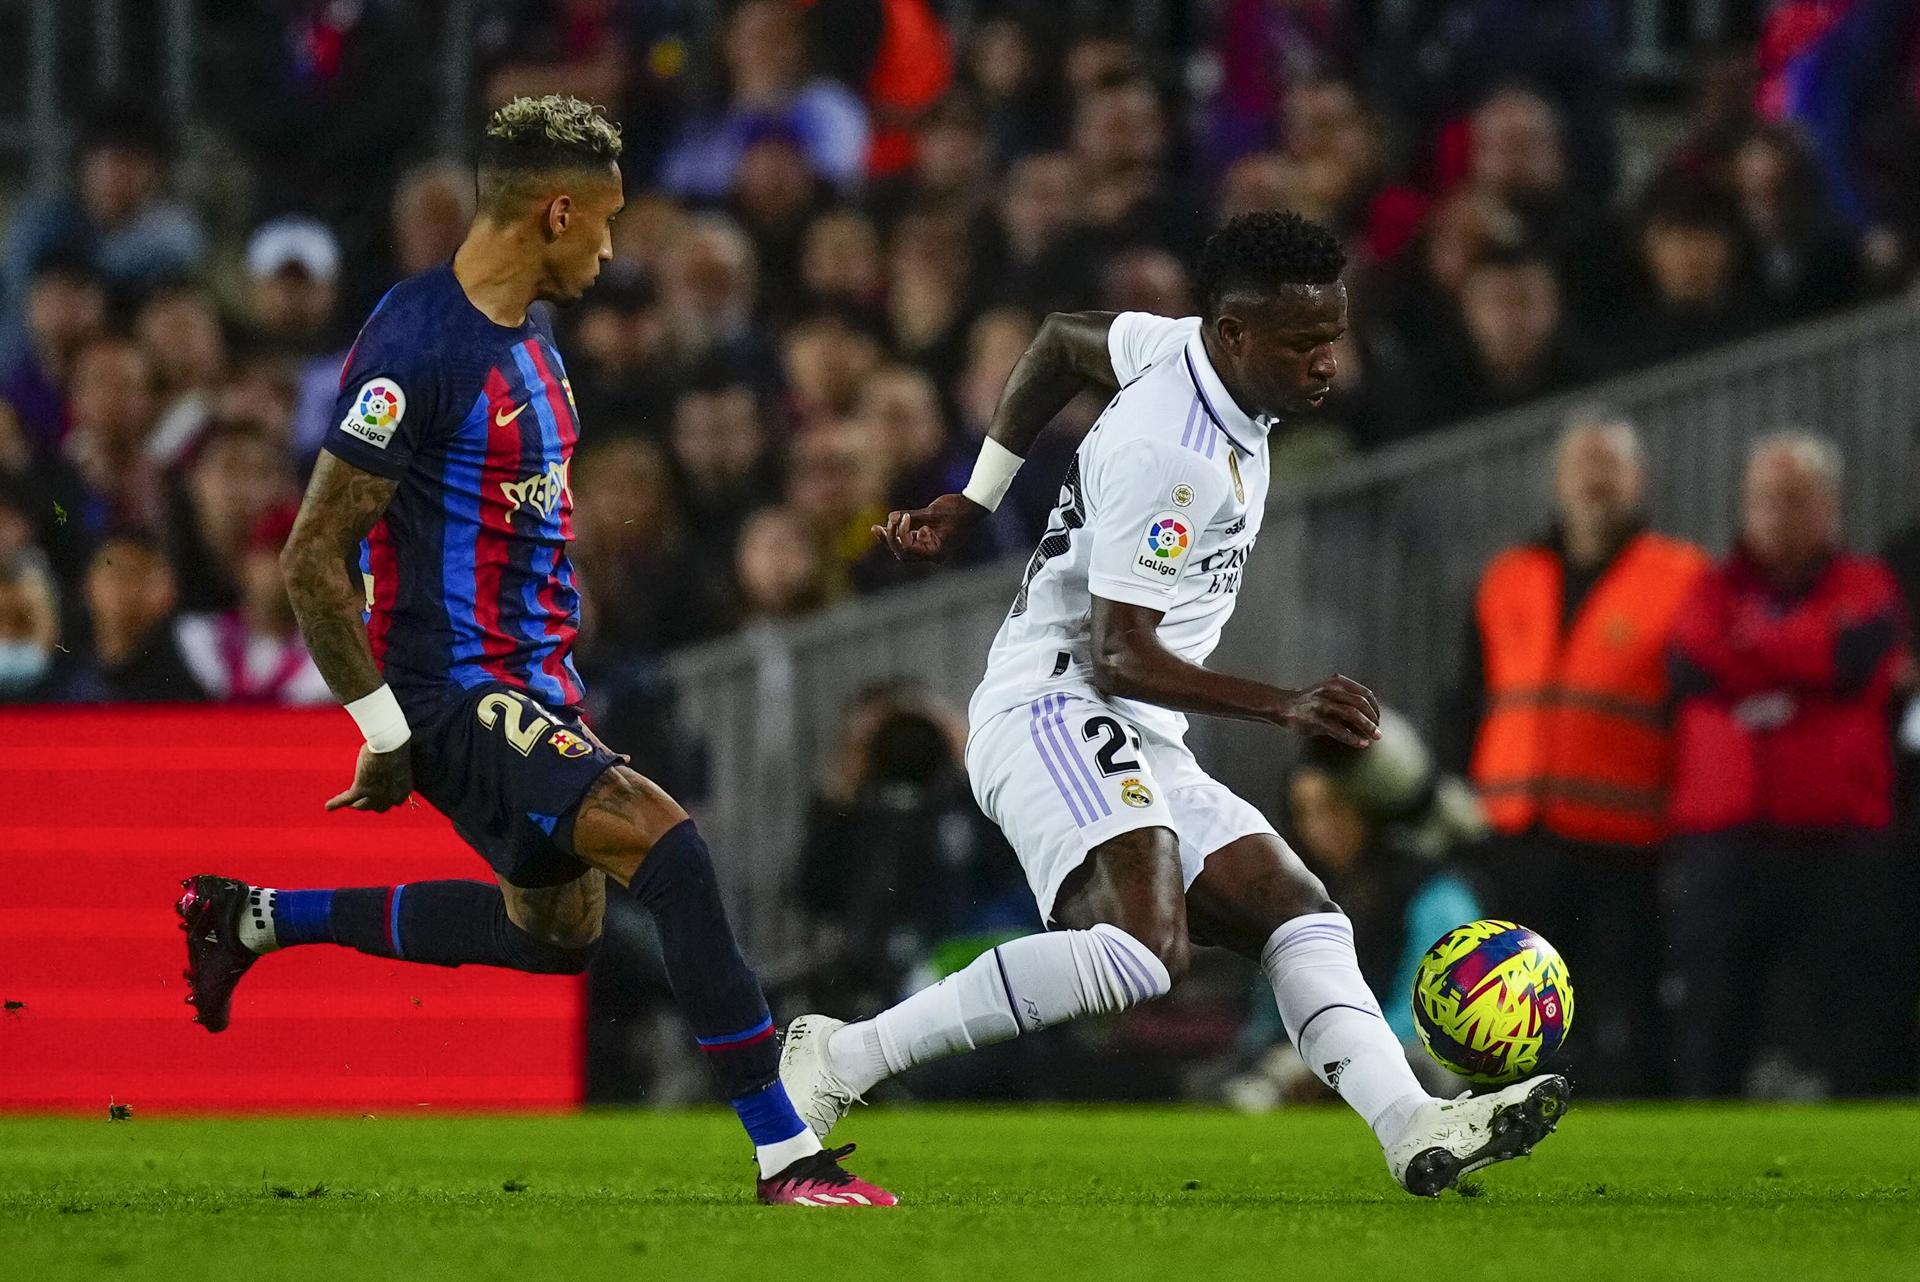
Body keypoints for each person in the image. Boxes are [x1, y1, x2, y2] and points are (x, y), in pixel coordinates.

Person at [172, 95, 891, 1207]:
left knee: (554, 937)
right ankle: (786, 1153)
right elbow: (313, 556)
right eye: (602, 222)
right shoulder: (419, 345)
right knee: (673, 851)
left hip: (536, 677)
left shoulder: (531, 332)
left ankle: (251, 915)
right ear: (556, 212)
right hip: (454, 687)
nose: (611, 249)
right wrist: (385, 728)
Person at [780, 210, 1572, 1197]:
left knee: (1301, 915)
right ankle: (841, 1058)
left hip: (1130, 721)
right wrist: (1284, 704)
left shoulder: (1177, 349)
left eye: (1333, 333)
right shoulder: (1177, 459)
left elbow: (1062, 338)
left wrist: (981, 495)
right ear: (1235, 335)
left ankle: (1413, 1122)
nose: (1328, 361)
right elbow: (1119, 655)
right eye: (1302, 343)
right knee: (1139, 954)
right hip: (1055, 705)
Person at [1448, 413, 1708, 1096]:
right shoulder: (1508, 575)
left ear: (1639, 480)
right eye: (1583, 464)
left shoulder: (1682, 576)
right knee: (1518, 1016)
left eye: (1610, 465)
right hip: (1516, 831)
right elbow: (1472, 695)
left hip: (1625, 839)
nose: (1595, 479)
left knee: (1626, 1006)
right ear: (1557, 480)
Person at [1665, 433, 1908, 1097]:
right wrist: (1806, 665)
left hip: (1838, 841)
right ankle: (1700, 1170)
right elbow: (1691, 664)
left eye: (1795, 500)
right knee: (1714, 1017)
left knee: (1854, 1016)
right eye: (1766, 499)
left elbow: (1855, 658)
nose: (1778, 514)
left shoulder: (1868, 585)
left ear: (1830, 507)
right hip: (1726, 842)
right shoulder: (1706, 589)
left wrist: (1750, 657)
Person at [1228, 708, 1487, 1109]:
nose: (1319, 827)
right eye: (1305, 812)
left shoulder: (1435, 893)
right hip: (1309, 1063)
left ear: (1367, 808)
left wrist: (1343, 1057)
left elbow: (1428, 1016)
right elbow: (1275, 1009)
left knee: (1429, 1071)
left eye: (1333, 808)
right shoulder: (1301, 897)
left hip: (1404, 1060)